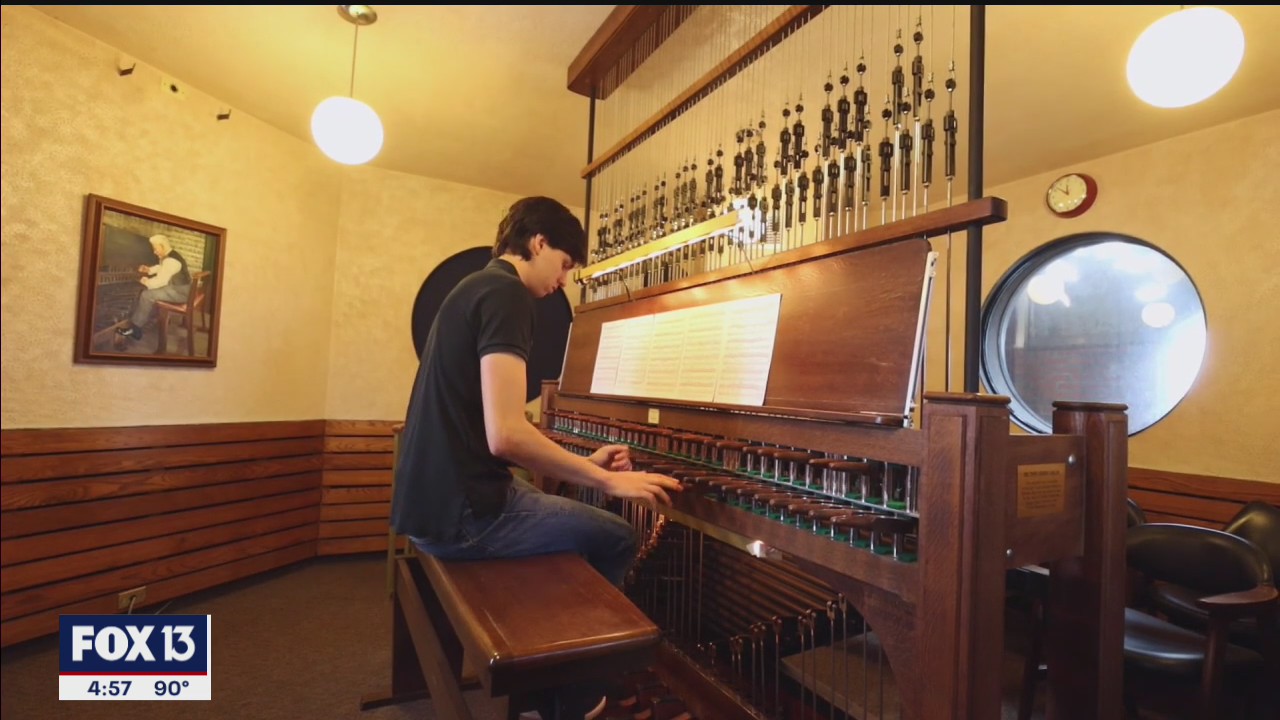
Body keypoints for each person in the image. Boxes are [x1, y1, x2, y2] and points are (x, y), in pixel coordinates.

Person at [390, 196, 682, 718]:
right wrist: (609, 483)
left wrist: (585, 464)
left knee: (562, 515)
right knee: (618, 535)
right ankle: (573, 693)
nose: (565, 279)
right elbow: (505, 437)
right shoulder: (507, 296)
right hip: (462, 516)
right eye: (566, 264)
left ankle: (551, 678)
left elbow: (497, 425)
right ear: (539, 242)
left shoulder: (474, 288)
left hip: (433, 503)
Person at [116, 234, 192, 341]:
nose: (154, 252)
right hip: (179, 288)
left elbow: (161, 281)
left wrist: (146, 281)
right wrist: (149, 270)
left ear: (162, 246)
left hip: (179, 293)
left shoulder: (171, 261)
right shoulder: (171, 255)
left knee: (146, 295)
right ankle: (147, 319)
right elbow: (162, 267)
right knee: (150, 291)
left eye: (155, 249)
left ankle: (136, 330)